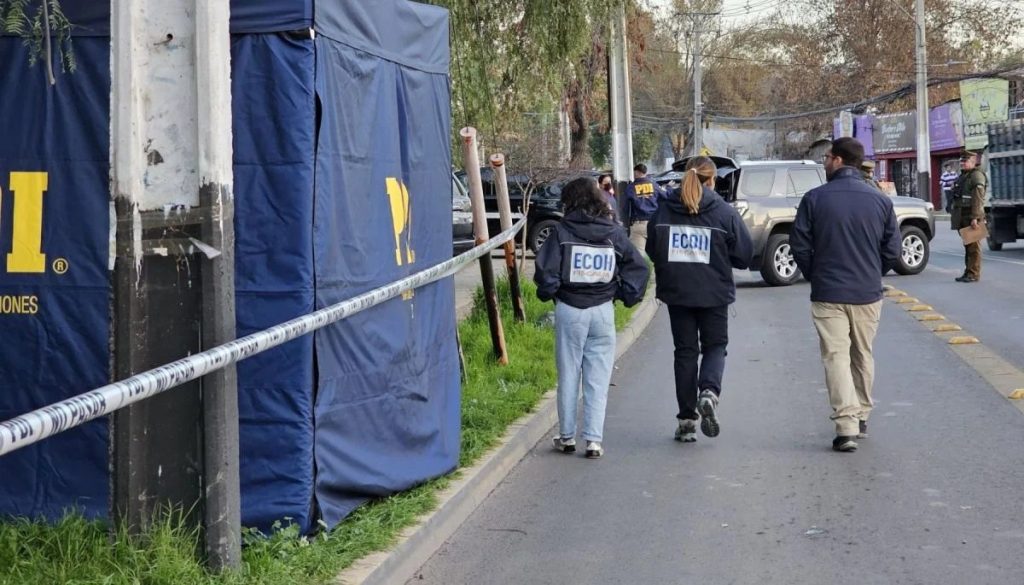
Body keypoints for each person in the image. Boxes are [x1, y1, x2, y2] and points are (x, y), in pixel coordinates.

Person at [790, 137, 900, 453]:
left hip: (828, 292)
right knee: (862, 354)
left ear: (838, 160)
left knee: (836, 356)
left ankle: (846, 426)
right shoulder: (880, 201)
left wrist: (815, 273)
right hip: (867, 293)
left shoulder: (814, 199)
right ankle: (862, 415)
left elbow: (799, 244)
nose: (824, 163)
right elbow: (892, 249)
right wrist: (871, 270)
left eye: (826, 157)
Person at [534, 177, 650, 459]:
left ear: (569, 201)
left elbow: (545, 272)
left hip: (570, 309)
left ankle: (566, 437)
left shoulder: (562, 232)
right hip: (603, 311)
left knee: (569, 373)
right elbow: (639, 267)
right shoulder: (613, 232)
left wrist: (551, 292)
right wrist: (625, 294)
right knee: (598, 378)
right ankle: (594, 440)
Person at [645, 157, 753, 443]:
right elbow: (744, 254)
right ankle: (709, 391)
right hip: (714, 294)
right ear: (711, 181)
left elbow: (652, 249)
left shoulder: (665, 209)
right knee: (715, 346)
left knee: (685, 352)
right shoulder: (723, 212)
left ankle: (686, 420)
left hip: (677, 293)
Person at [949, 150, 988, 283]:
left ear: (973, 162)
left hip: (972, 216)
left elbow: (978, 198)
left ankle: (973, 274)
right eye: (961, 161)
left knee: (974, 248)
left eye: (965, 161)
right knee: (968, 246)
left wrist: (975, 218)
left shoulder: (976, 176)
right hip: (963, 215)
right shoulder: (964, 176)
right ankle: (968, 272)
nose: (962, 163)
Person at [625, 163, 667, 250]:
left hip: (639, 223)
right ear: (645, 172)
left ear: (636, 172)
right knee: (658, 253)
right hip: (654, 223)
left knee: (638, 256)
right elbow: (666, 196)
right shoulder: (654, 185)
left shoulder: (631, 187)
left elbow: (625, 205)